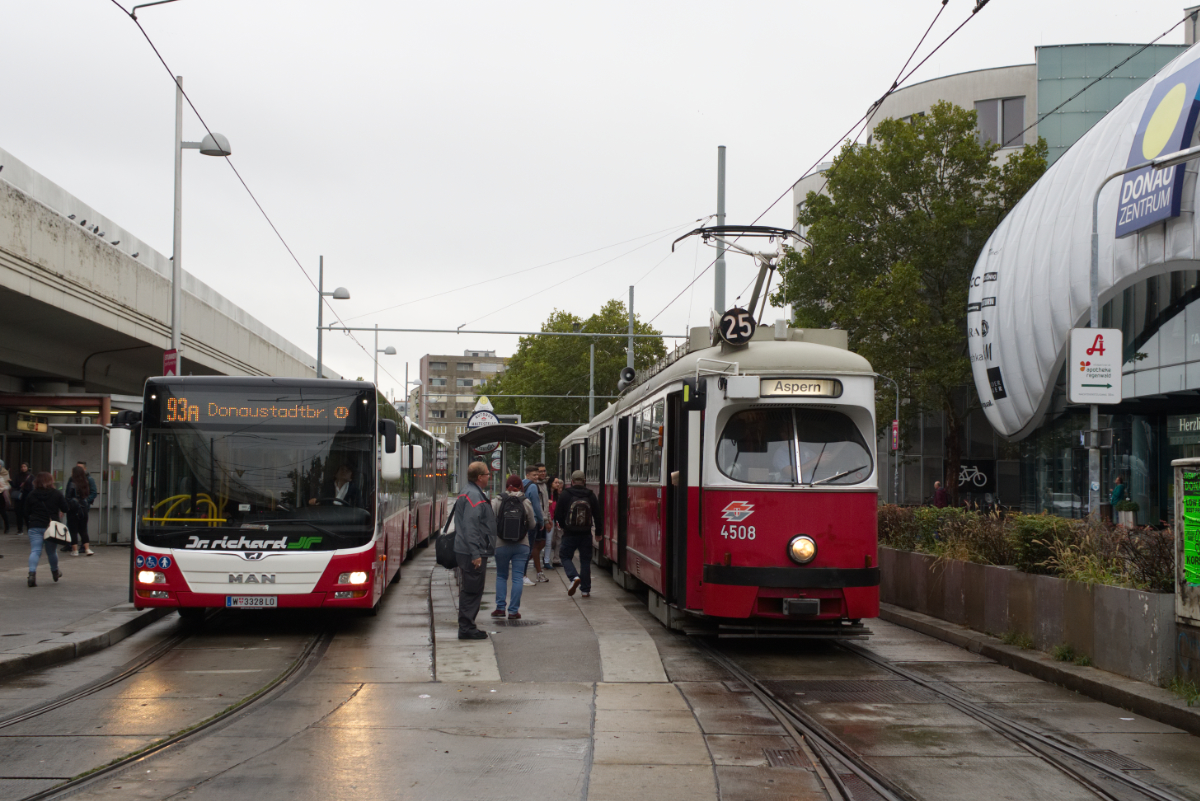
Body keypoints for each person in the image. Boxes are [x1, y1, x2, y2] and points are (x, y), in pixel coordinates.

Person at [453, 461, 495, 640]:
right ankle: (467, 628)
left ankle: (468, 626)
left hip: (467, 549)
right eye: (487, 474)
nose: (489, 476)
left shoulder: (469, 491)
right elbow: (471, 527)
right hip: (472, 551)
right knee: (472, 589)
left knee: (472, 587)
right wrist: (476, 553)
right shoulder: (474, 495)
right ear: (480, 477)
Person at [490, 475, 537, 620]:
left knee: (501, 576)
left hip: (501, 544)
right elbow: (532, 524)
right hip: (521, 544)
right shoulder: (525, 501)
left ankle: (499, 608)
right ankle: (513, 611)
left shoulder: (498, 500)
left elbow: (491, 520)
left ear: (506, 486)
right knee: (517, 577)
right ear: (520, 487)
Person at [554, 470, 602, 598]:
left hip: (570, 533)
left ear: (572, 481)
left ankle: (574, 577)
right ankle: (585, 590)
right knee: (585, 561)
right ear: (584, 481)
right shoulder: (590, 495)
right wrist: (598, 533)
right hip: (586, 533)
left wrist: (564, 527)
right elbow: (597, 515)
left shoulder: (565, 494)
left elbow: (557, 514)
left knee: (564, 556)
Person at [25, 471, 67, 587]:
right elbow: (65, 508)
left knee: (35, 551)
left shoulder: (32, 494)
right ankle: (55, 572)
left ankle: (32, 574)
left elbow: (26, 512)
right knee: (51, 552)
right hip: (51, 528)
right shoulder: (57, 494)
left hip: (35, 526)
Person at [64, 465, 98, 556]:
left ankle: (75, 550)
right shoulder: (85, 483)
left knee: (73, 530)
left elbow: (67, 497)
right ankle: (87, 549)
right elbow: (89, 494)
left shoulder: (72, 483)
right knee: (83, 530)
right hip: (84, 509)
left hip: (73, 509)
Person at [522, 465, 546, 584]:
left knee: (522, 548)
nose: (536, 477)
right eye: (534, 475)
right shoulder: (532, 486)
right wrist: (542, 522)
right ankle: (524, 575)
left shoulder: (521, 484)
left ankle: (520, 574)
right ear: (527, 475)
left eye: (537, 475)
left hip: (521, 521)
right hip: (532, 521)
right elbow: (536, 506)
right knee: (529, 548)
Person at [546, 476, 564, 568]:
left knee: (553, 541)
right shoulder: (546, 494)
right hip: (547, 520)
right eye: (556, 483)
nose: (558, 485)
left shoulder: (557, 496)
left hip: (553, 520)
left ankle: (550, 560)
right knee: (547, 541)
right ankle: (545, 559)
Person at [13, 463, 32, 535]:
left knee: (26, 513)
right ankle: (20, 529)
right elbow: (15, 485)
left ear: (27, 467)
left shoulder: (30, 476)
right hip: (19, 497)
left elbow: (31, 487)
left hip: (26, 496)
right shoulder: (18, 476)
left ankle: (28, 529)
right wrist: (11, 482)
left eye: (24, 466)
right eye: (22, 467)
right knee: (18, 513)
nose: (23, 468)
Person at [0, 459, 11, 534]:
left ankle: (7, 527)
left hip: (1, 494)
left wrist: (2, 487)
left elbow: (8, 485)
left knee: (2, 511)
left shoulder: (5, 473)